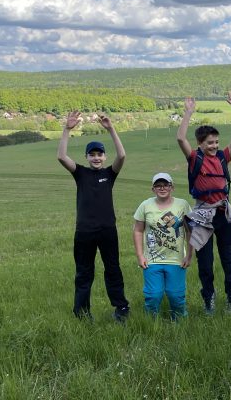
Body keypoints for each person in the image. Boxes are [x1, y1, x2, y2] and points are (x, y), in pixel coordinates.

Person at [57, 111, 130, 322]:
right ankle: (81, 313)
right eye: (92, 154)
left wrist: (111, 129)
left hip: (108, 230)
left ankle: (121, 309)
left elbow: (122, 156)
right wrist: (67, 129)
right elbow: (62, 157)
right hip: (85, 232)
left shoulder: (110, 174)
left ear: (104, 157)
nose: (96, 158)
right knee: (84, 273)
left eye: (100, 154)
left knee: (113, 269)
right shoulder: (80, 173)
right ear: (87, 157)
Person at [177, 93, 231, 314]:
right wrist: (188, 113)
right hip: (202, 216)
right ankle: (209, 300)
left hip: (222, 214)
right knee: (205, 264)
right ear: (200, 144)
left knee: (228, 260)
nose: (214, 146)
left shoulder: (223, 158)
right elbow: (180, 139)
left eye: (216, 142)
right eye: (210, 143)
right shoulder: (195, 159)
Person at [132, 173, 192, 319]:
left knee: (176, 295)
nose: (162, 188)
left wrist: (189, 255)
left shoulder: (182, 204)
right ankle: (151, 323)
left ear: (172, 187)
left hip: (176, 260)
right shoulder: (145, 205)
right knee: (153, 295)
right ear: (153, 189)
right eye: (158, 185)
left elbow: (190, 231)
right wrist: (140, 256)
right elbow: (138, 230)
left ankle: (179, 322)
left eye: (166, 185)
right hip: (152, 259)